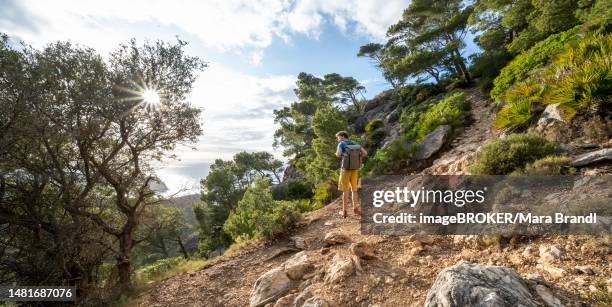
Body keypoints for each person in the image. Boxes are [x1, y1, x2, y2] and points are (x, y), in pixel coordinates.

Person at [335, 131, 367, 218]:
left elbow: (338, 154)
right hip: (355, 169)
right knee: (354, 190)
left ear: (342, 136)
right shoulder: (354, 143)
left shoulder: (341, 144)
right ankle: (355, 209)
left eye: (338, 137)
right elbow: (365, 153)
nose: (337, 139)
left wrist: (341, 154)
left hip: (345, 169)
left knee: (345, 190)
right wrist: (357, 156)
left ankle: (344, 211)